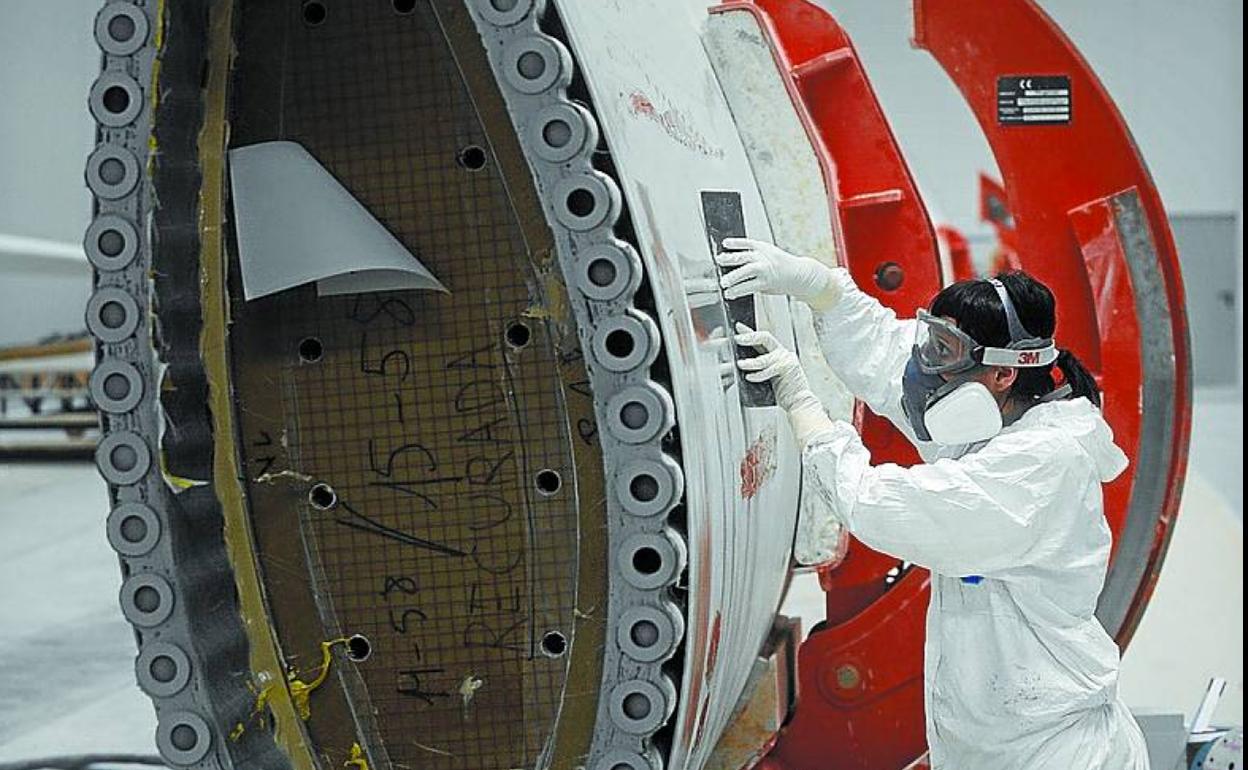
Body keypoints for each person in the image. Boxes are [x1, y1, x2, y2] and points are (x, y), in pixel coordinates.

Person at [716, 238, 1151, 770]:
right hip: (999, 744)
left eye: (942, 352)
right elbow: (886, 355)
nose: (925, 365)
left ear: (1003, 373)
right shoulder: (993, 420)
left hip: (1053, 753)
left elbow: (881, 506)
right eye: (931, 340)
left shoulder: (1039, 466)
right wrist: (823, 288)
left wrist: (805, 409)